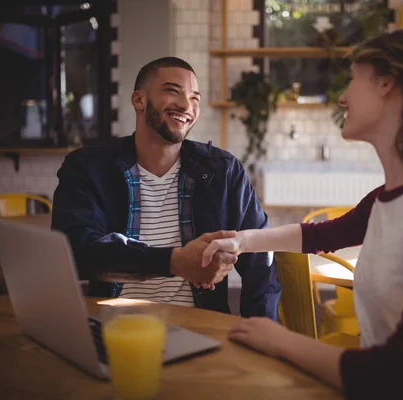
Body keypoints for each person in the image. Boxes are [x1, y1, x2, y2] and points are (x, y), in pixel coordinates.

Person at [202, 29, 403, 399]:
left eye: (354, 78)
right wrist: (241, 240)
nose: (342, 97)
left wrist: (281, 340)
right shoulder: (385, 199)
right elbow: (320, 236)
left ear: (387, 82)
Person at [51, 57, 281, 319]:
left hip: (201, 328)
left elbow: (261, 261)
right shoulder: (87, 167)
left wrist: (260, 331)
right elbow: (75, 250)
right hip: (114, 328)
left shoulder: (224, 171)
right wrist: (175, 262)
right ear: (139, 100)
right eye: (173, 91)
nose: (186, 105)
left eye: (195, 98)